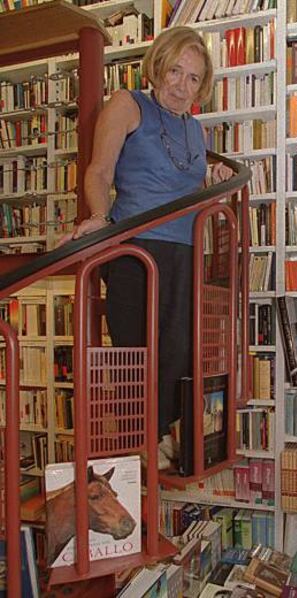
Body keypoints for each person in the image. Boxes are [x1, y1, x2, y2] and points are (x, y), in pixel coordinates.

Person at [60, 26, 233, 467]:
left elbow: (190, 189)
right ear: (157, 66)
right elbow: (98, 172)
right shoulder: (126, 104)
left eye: (193, 78)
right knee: (136, 352)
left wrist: (213, 182)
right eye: (175, 70)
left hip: (184, 253)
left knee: (177, 352)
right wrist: (98, 218)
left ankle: (155, 442)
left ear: (202, 85)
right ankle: (139, 446)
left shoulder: (195, 130)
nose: (181, 84)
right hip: (134, 248)